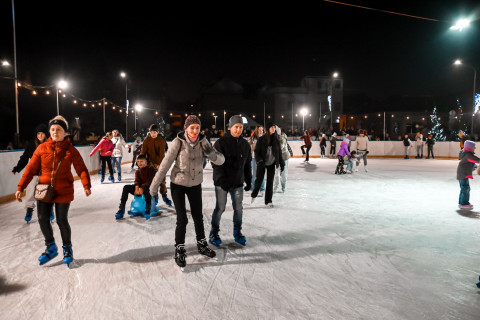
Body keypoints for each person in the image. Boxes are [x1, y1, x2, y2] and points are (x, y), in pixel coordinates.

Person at [149, 115, 225, 269]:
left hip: (195, 184)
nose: (195, 131)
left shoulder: (203, 142)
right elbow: (165, 165)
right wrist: (154, 186)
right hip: (178, 184)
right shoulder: (178, 142)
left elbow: (221, 160)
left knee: (198, 216)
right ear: (186, 128)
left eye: (197, 127)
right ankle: (179, 248)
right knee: (182, 219)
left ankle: (202, 244)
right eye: (192, 128)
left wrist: (211, 154)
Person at [15, 115, 91, 267]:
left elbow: (81, 169)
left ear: (65, 132)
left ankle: (67, 250)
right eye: (53, 129)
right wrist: (21, 187)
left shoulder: (70, 150)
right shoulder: (41, 148)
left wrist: (86, 185)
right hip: (44, 189)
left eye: (59, 129)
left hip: (64, 190)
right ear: (50, 131)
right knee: (43, 218)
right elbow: (30, 169)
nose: (55, 132)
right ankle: (51, 247)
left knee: (62, 220)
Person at [209, 115, 252, 247]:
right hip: (222, 183)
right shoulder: (220, 143)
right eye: (236, 127)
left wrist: (248, 180)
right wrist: (222, 179)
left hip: (238, 182)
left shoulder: (245, 145)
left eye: (241, 127)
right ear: (230, 127)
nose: (238, 130)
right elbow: (216, 163)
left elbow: (247, 164)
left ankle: (237, 232)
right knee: (220, 207)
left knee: (238, 209)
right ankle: (214, 233)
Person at [12, 123, 49, 222]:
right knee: (30, 192)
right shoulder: (31, 145)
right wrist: (17, 168)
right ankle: (29, 209)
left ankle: (49, 211)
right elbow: (24, 158)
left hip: (46, 173)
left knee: (46, 193)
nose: (40, 136)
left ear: (46, 134)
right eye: (38, 134)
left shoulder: (50, 144)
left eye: (42, 134)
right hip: (33, 173)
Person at [251, 122, 285, 208]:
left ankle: (268, 200)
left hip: (271, 164)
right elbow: (256, 152)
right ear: (268, 129)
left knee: (270, 182)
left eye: (274, 127)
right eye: (272, 127)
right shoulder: (261, 139)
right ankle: (254, 194)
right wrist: (259, 161)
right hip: (262, 163)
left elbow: (279, 153)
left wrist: (282, 163)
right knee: (259, 180)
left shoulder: (276, 140)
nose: (273, 129)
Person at [115, 154, 156, 220]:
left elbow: (149, 181)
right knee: (126, 187)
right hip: (140, 188)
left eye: (141, 161)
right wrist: (137, 188)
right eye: (138, 162)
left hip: (148, 188)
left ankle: (148, 207)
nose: (139, 163)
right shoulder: (138, 171)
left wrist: (141, 188)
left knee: (146, 187)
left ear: (146, 161)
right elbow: (137, 181)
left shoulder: (151, 169)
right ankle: (121, 208)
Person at [142, 124, 172, 206]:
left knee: (162, 181)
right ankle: (154, 197)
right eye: (151, 132)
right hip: (149, 164)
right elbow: (143, 153)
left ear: (158, 132)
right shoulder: (146, 140)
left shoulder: (161, 141)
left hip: (160, 164)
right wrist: (142, 162)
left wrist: (159, 165)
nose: (153, 134)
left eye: (154, 132)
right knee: (152, 182)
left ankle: (164, 195)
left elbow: (162, 154)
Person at [457, 140, 479, 209]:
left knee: (463, 188)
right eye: (473, 147)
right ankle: (464, 203)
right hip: (463, 174)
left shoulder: (465, 154)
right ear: (469, 148)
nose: (474, 148)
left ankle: (461, 202)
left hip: (461, 173)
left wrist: (474, 166)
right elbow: (477, 160)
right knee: (465, 188)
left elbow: (472, 163)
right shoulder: (468, 155)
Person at [273, 127, 292, 193]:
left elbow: (281, 147)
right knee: (277, 174)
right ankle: (275, 188)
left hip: (284, 158)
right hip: (277, 158)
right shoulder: (274, 138)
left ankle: (283, 187)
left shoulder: (282, 138)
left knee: (283, 174)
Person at [248, 126, 265, 196]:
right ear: (257, 131)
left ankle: (262, 189)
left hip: (262, 159)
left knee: (262, 174)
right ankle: (253, 188)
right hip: (254, 158)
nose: (261, 131)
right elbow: (251, 148)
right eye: (260, 130)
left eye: (262, 130)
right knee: (255, 174)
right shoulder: (252, 138)